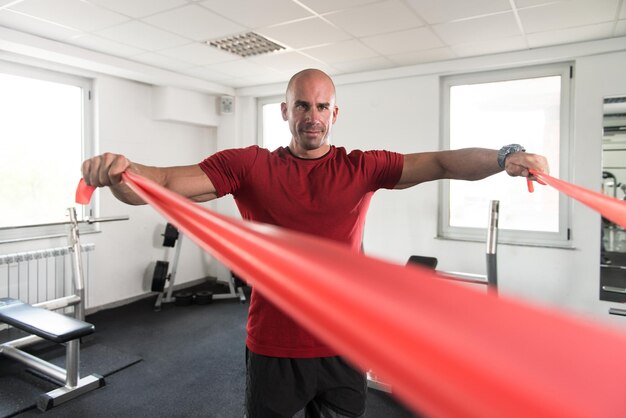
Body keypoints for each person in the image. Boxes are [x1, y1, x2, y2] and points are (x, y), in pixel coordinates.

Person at [82, 68, 549, 418]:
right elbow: (160, 183)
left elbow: (442, 163)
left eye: (322, 107)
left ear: (334, 114)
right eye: (302, 105)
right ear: (285, 111)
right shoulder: (249, 166)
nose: (312, 116)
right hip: (275, 346)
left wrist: (504, 156)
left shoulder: (360, 167)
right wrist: (120, 175)